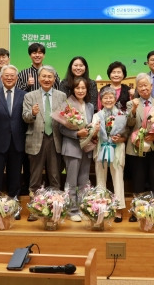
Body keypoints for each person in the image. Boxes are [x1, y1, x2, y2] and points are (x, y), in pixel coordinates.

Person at [22, 65, 67, 220]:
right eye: (44, 76)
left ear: (54, 79)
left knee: (55, 177)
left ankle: (55, 210)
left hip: (55, 139)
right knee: (35, 179)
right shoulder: (30, 96)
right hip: (35, 140)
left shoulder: (61, 96)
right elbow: (25, 117)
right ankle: (35, 210)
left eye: (50, 77)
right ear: (39, 78)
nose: (47, 79)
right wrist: (32, 114)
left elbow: (66, 117)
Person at [0, 65, 27, 208]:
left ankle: (14, 209)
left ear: (16, 78)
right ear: (1, 78)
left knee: (15, 179)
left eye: (12, 76)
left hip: (17, 142)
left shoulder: (24, 95)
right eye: (6, 75)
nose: (9, 78)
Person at [125, 73, 154, 220]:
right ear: (137, 88)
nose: (143, 88)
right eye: (140, 86)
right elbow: (128, 124)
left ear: (151, 86)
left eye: (145, 85)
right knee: (138, 180)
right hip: (136, 147)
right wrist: (134, 110)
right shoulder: (131, 103)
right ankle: (136, 211)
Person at [59, 77, 95, 222]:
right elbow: (61, 128)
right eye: (77, 88)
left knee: (84, 180)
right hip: (72, 148)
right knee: (71, 181)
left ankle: (83, 208)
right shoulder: (67, 105)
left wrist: (94, 134)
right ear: (73, 90)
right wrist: (76, 134)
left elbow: (90, 126)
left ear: (87, 90)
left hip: (87, 147)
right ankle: (72, 210)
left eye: (83, 88)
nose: (80, 90)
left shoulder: (90, 106)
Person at [92, 86, 128, 222]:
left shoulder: (121, 115)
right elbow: (93, 134)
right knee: (100, 179)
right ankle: (99, 207)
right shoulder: (96, 115)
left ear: (115, 98)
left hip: (117, 149)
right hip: (101, 149)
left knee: (118, 178)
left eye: (110, 97)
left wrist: (120, 138)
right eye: (105, 97)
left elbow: (125, 134)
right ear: (101, 100)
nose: (108, 100)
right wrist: (94, 131)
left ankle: (119, 209)